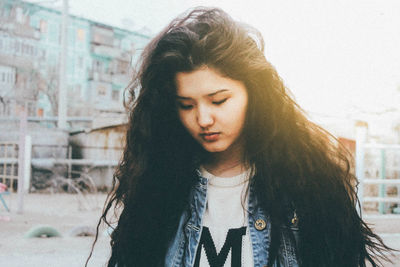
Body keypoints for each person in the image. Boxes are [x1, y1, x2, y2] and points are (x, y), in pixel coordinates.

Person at [87, 7, 393, 267]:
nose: (203, 119)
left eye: (219, 100)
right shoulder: (160, 188)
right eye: (187, 105)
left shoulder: (307, 186)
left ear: (253, 93)